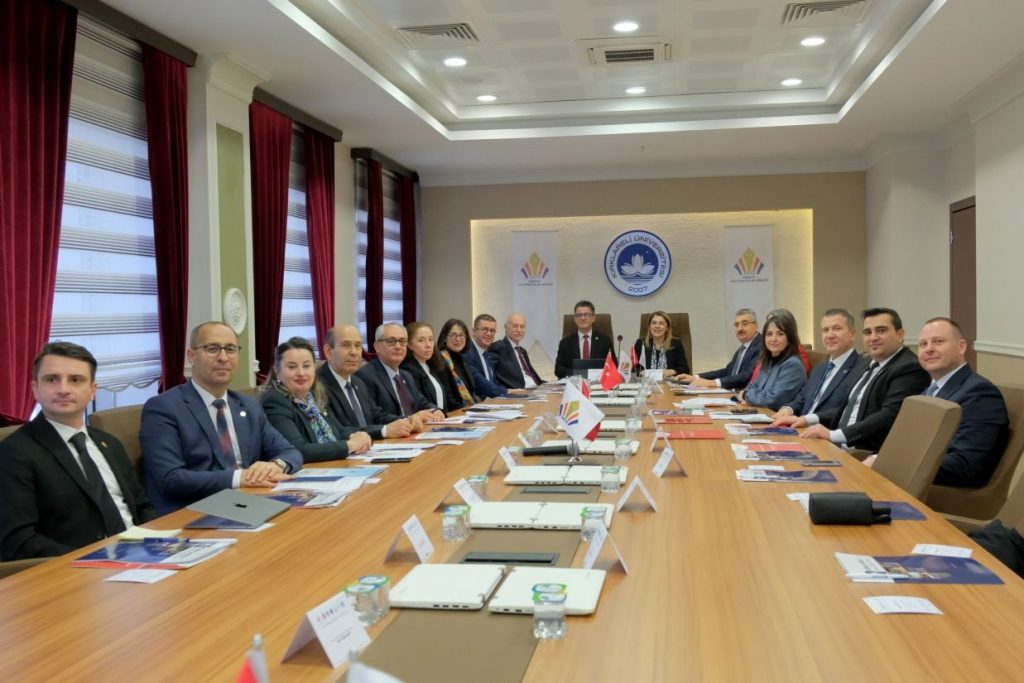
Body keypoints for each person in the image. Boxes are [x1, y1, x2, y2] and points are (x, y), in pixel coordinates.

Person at [0, 342, 156, 560]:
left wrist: (158, 543)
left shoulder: (109, 442)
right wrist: (98, 559)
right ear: (35, 389)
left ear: (93, 390)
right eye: (52, 379)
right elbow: (17, 540)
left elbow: (141, 507)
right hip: (78, 567)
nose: (63, 389)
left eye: (76, 380)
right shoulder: (14, 453)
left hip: (142, 554)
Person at [140, 322, 303, 515]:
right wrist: (241, 478)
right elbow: (171, 479)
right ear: (191, 356)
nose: (223, 357)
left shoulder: (248, 405)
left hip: (251, 501)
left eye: (231, 349)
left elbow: (290, 452)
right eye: (212, 349)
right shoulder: (163, 408)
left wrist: (274, 466)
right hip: (194, 510)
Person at [795, 307, 930, 453]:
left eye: (881, 330)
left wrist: (833, 435)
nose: (873, 338)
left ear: (900, 334)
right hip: (836, 444)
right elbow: (849, 407)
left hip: (863, 454)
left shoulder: (909, 367)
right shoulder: (868, 363)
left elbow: (890, 415)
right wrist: (807, 419)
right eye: (867, 332)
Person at [911, 317, 1008, 486]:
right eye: (923, 344)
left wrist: (897, 464)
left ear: (961, 347)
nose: (929, 349)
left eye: (938, 341)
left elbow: (963, 464)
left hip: (944, 490)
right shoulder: (927, 392)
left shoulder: (980, 393)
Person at [261, 337, 373, 462]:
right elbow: (297, 450)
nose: (301, 373)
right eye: (292, 367)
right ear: (277, 371)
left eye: (306, 366)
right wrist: (350, 446)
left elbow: (339, 431)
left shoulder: (313, 397)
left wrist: (361, 436)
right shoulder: (274, 402)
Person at [317, 324, 417, 438]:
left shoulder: (357, 382)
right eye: (346, 345)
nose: (354, 352)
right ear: (328, 351)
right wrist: (383, 431)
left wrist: (407, 421)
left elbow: (376, 416)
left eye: (358, 346)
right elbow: (335, 430)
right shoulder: (317, 385)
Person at [773, 308, 865, 421]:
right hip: (799, 427)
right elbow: (803, 397)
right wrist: (788, 409)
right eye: (825, 330)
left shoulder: (862, 369)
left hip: (825, 430)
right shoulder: (820, 368)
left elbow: (848, 409)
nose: (830, 335)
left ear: (852, 334)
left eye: (837, 329)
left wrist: (806, 420)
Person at [356, 323, 445, 423]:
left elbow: (421, 402)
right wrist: (410, 419)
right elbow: (375, 416)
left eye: (402, 341)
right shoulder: (365, 376)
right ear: (377, 347)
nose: (398, 346)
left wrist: (435, 410)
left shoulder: (406, 376)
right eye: (391, 341)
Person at [738, 309, 807, 411]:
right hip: (759, 413)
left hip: (777, 418)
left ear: (789, 338)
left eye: (780, 334)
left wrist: (746, 395)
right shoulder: (768, 361)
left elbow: (774, 400)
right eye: (769, 334)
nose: (773, 339)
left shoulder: (793, 365)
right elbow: (752, 386)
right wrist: (747, 394)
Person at [677, 309, 761, 389]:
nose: (740, 328)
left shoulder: (761, 346)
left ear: (756, 326)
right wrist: (696, 377)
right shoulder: (743, 349)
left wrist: (713, 383)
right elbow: (727, 371)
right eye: (736, 325)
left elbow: (746, 376)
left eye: (745, 324)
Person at [401, 321, 463, 412]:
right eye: (421, 340)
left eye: (430, 339)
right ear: (409, 345)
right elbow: (420, 404)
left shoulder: (431, 368)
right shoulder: (408, 371)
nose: (428, 345)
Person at [554, 300, 617, 378]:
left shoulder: (605, 341)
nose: (583, 318)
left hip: (598, 383)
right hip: (574, 382)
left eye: (586, 315)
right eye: (579, 315)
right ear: (575, 319)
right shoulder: (565, 343)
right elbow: (558, 369)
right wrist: (577, 374)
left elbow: (614, 365)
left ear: (593, 318)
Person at [487, 313, 546, 389]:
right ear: (506, 327)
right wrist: (506, 391)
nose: (519, 330)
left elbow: (530, 375)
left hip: (536, 389)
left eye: (522, 327)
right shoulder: (498, 347)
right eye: (515, 326)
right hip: (519, 392)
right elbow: (490, 377)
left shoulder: (522, 351)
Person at [632, 310, 690, 377]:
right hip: (646, 382)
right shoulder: (641, 343)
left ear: (667, 328)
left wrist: (670, 371)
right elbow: (633, 368)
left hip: (668, 382)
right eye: (654, 323)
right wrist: (642, 372)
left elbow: (685, 369)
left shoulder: (675, 344)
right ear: (649, 327)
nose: (657, 326)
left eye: (661, 323)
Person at [438, 318, 479, 404]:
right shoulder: (441, 360)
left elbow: (471, 391)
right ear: (444, 337)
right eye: (453, 335)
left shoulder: (463, 359)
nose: (458, 339)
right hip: (454, 410)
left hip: (468, 408)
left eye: (461, 335)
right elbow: (449, 400)